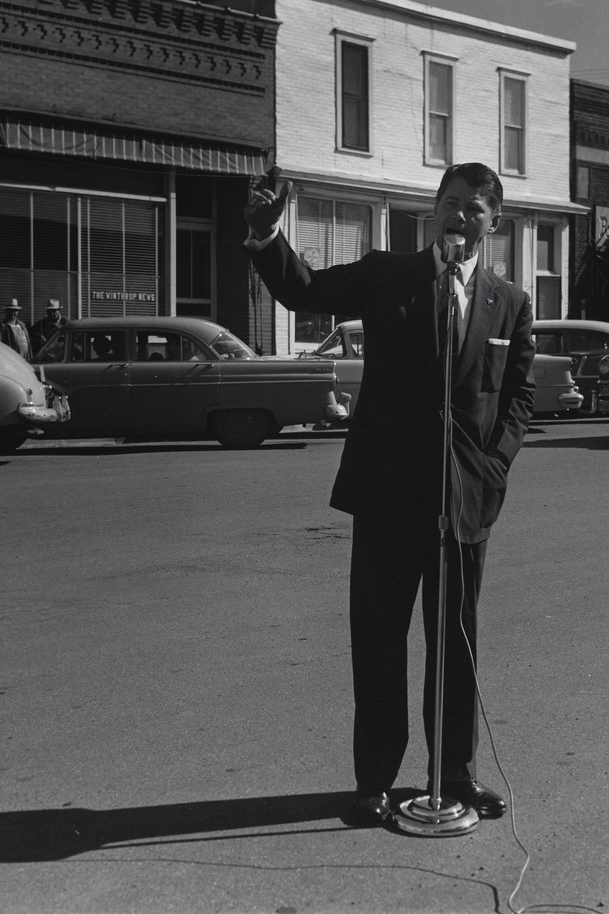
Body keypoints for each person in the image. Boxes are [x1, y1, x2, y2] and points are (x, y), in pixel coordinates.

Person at [243, 162, 535, 826]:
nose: (462, 216)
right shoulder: (387, 274)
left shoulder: (508, 303)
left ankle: (455, 773)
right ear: (434, 210)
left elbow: (517, 397)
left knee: (455, 641)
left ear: (495, 223)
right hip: (386, 497)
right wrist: (267, 237)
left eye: (477, 209)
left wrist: (496, 467)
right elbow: (305, 289)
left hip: (464, 500)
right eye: (452, 203)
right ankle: (374, 779)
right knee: (378, 640)